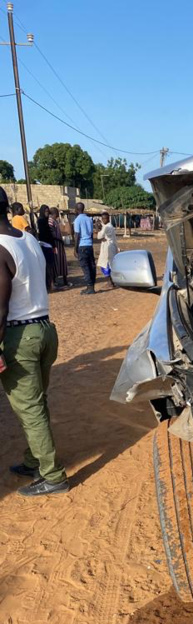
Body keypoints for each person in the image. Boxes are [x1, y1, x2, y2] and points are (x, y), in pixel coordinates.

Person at [0, 186, 69, 496]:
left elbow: (0, 307)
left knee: (29, 408)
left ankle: (53, 476)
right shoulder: (27, 238)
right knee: (37, 402)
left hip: (18, 335)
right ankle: (33, 460)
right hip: (44, 328)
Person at [73, 202, 96, 296]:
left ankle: (90, 287)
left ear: (76, 209)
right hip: (89, 245)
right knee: (91, 266)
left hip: (82, 246)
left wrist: (75, 248)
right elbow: (91, 233)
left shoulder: (77, 220)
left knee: (85, 267)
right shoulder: (89, 219)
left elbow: (77, 235)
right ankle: (91, 286)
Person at [48, 207, 69, 288]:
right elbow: (51, 234)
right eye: (57, 213)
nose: (58, 215)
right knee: (56, 262)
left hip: (59, 244)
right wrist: (58, 240)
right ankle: (57, 281)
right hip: (55, 245)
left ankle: (64, 281)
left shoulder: (55, 221)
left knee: (61, 261)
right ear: (55, 213)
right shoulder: (50, 221)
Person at [97, 212, 119, 288]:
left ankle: (110, 282)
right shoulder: (108, 226)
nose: (103, 220)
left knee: (106, 264)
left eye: (105, 218)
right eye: (102, 218)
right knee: (110, 264)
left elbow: (99, 236)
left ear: (108, 218)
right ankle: (112, 281)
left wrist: (98, 229)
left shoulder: (107, 227)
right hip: (109, 246)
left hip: (107, 247)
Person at [36, 204, 56, 292]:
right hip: (45, 245)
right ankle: (50, 285)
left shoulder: (45, 221)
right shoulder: (41, 221)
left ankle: (50, 284)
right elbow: (45, 234)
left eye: (48, 212)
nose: (47, 213)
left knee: (50, 266)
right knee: (48, 266)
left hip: (48, 245)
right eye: (46, 212)